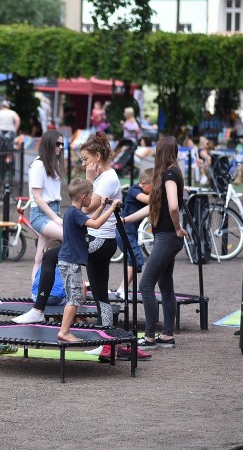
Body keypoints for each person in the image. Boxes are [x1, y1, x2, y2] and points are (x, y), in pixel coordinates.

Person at [80, 131, 150, 360]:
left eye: (86, 159)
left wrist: (87, 181)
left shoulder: (108, 178)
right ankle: (106, 341)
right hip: (99, 239)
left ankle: (40, 309)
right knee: (101, 295)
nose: (84, 164)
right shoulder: (104, 177)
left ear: (98, 156)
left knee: (55, 256)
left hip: (100, 240)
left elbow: (86, 208)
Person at [123, 136, 187, 350]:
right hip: (167, 236)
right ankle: (167, 335)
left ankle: (150, 337)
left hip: (168, 236)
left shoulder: (169, 174)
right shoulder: (171, 172)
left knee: (146, 284)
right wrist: (126, 219)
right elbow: (153, 207)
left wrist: (178, 228)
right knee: (165, 286)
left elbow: (174, 206)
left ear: (160, 152)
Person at [56, 178, 122, 342]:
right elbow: (96, 224)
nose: (93, 198)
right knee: (74, 298)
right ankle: (64, 331)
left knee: (74, 296)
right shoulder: (75, 214)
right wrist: (112, 207)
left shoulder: (72, 212)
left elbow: (89, 218)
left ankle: (65, 330)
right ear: (84, 197)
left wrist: (101, 206)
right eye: (91, 196)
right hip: (70, 262)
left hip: (68, 261)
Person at [28, 129, 65, 281]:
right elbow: (37, 197)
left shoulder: (53, 165)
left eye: (63, 144)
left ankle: (35, 292)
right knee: (69, 238)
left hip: (52, 211)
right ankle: (77, 283)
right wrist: (55, 219)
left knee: (39, 257)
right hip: (41, 215)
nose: (61, 147)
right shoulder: (38, 165)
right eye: (58, 143)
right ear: (48, 144)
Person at [113, 168, 153, 299]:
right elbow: (148, 199)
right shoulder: (134, 190)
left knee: (134, 260)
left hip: (129, 232)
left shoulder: (141, 189)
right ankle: (121, 290)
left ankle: (122, 289)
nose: (154, 190)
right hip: (123, 231)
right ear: (143, 183)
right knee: (136, 259)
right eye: (153, 187)